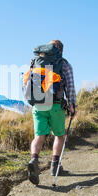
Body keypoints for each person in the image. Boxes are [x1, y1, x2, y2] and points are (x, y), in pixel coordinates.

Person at [26, 40, 76, 185]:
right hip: (55, 105)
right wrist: (72, 105)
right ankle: (55, 166)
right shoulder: (64, 64)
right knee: (59, 136)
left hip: (38, 105)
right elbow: (70, 86)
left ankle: (34, 159)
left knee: (39, 136)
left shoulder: (35, 61)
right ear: (61, 50)